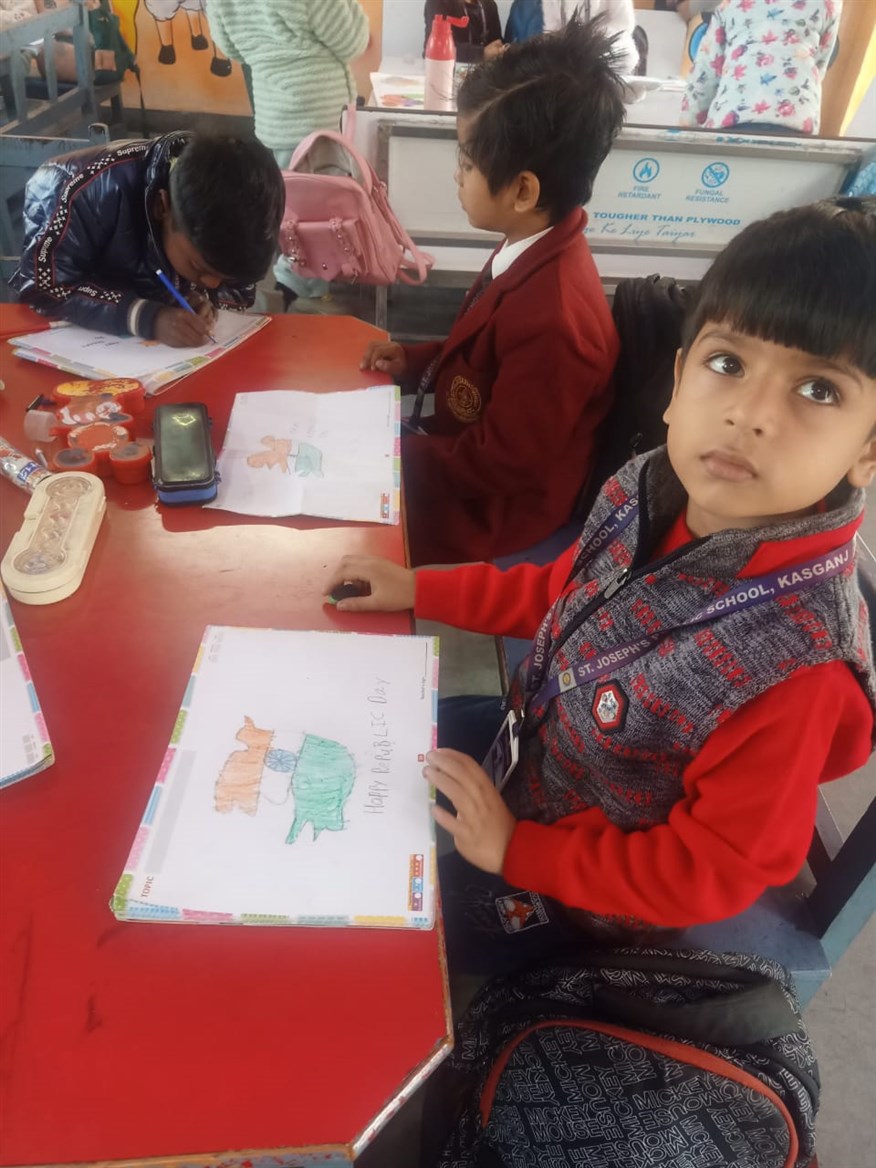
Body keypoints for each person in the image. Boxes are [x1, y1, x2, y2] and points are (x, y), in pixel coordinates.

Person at [329, 196, 876, 975]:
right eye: (728, 364)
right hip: (532, 743)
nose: (750, 414)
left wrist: (516, 851)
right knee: (355, 748)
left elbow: (711, 872)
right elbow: (560, 594)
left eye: (818, 389)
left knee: (375, 920)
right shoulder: (646, 488)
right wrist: (416, 587)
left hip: (576, 889)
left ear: (868, 450)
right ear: (678, 380)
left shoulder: (798, 674)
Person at [360, 17, 625, 566]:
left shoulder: (557, 323)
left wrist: (389, 455)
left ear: (523, 190)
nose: (457, 175)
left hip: (495, 514)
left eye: (467, 161)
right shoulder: (531, 243)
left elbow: (503, 463)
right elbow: (483, 358)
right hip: (458, 457)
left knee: (346, 530)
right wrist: (413, 360)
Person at [10, 133, 284, 347]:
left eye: (222, 277)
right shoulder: (77, 189)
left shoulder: (244, 216)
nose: (213, 282)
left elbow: (236, 286)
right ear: (161, 207)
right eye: (199, 268)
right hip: (70, 343)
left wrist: (203, 298)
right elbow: (45, 288)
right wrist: (147, 317)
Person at [208, 0, 370, 313]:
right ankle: (295, 288)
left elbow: (231, 47)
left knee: (290, 204)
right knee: (319, 212)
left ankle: (297, 281)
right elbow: (352, 40)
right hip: (317, 115)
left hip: (274, 114)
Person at [679, 0, 841, 135]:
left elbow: (706, 73)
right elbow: (821, 60)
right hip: (797, 119)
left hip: (733, 115)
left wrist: (686, 130)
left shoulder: (729, 4)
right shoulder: (829, 3)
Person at [505, 0, 639, 74]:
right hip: (565, 54)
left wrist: (589, 40)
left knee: (628, 56)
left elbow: (623, 24)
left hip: (604, 48)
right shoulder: (525, 6)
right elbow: (550, 28)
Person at [424, 0, 504, 64]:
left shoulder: (490, 5)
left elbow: (496, 44)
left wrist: (500, 50)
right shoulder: (438, 2)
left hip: (481, 74)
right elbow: (438, 48)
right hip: (444, 70)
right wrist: (482, 53)